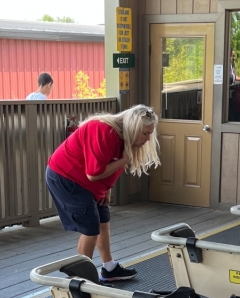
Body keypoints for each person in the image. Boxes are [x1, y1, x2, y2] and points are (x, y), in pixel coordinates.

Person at [45, 105, 160, 282]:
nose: (148, 138)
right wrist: (124, 159)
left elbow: (109, 164)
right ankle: (82, 280)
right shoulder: (103, 130)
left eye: (150, 133)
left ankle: (109, 268)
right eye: (145, 133)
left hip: (88, 181)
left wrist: (107, 188)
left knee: (103, 221)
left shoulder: (124, 137)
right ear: (133, 127)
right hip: (66, 176)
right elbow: (94, 173)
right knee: (90, 228)